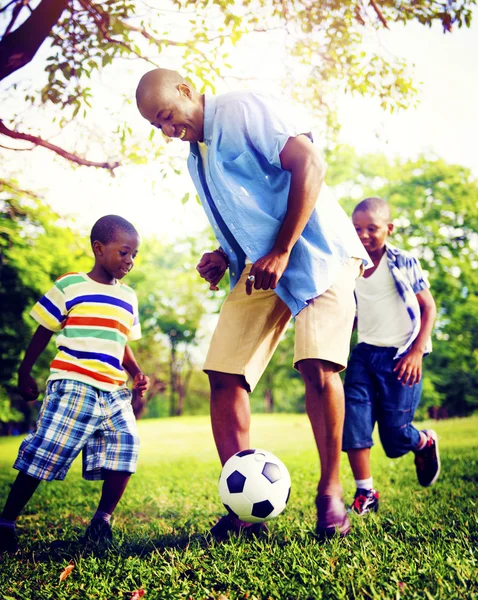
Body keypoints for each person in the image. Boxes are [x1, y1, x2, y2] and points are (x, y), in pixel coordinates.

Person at [135, 69, 369, 540]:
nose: (166, 130)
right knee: (224, 374)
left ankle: (331, 496)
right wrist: (223, 254)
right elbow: (248, 214)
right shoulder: (194, 159)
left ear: (185, 90)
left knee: (318, 366)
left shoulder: (242, 108)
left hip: (318, 250)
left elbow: (311, 166)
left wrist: (283, 250)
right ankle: (243, 510)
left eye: (166, 116)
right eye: (155, 126)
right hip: (260, 264)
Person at [0, 215, 149, 553]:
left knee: (126, 445)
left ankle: (101, 521)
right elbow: (44, 329)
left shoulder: (128, 298)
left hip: (114, 389)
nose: (130, 261)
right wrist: (24, 372)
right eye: (124, 252)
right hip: (74, 383)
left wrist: (137, 371)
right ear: (99, 248)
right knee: (47, 448)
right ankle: (6, 521)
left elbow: (121, 341)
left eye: (134, 255)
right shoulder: (71, 285)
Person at [342, 197, 439, 516]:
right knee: (354, 424)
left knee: (396, 438)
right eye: (358, 229)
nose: (364, 234)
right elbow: (358, 310)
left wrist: (416, 353)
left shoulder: (403, 261)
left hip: (400, 356)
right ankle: (365, 492)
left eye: (372, 228)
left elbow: (429, 307)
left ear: (389, 229)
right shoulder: (350, 264)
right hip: (364, 356)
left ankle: (423, 441)